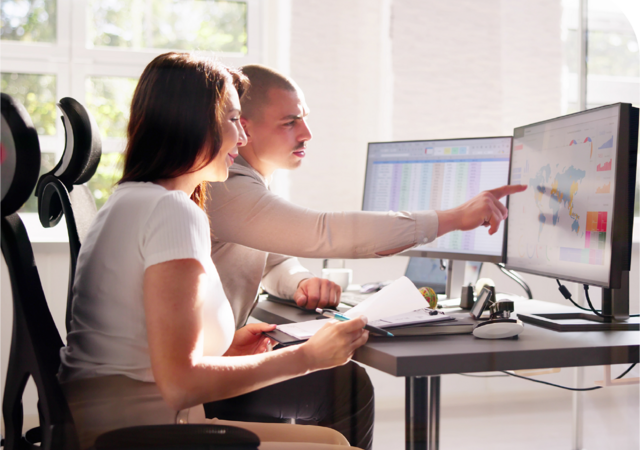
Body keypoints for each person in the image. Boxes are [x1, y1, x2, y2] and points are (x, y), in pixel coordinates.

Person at [204, 64, 527, 450]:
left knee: (336, 377)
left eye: (304, 119)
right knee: (347, 385)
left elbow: (272, 261)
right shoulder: (225, 189)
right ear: (245, 128)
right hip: (196, 381)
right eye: (290, 122)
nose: (307, 133)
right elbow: (323, 232)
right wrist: (455, 217)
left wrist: (300, 282)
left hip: (213, 359)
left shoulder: (242, 188)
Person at [58, 52, 369, 450]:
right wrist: (309, 356)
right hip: (147, 436)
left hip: (120, 425)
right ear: (193, 121)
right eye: (234, 120)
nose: (242, 137)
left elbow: (141, 349)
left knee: (332, 440)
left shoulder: (129, 201)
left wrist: (225, 349)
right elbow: (180, 383)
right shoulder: (171, 211)